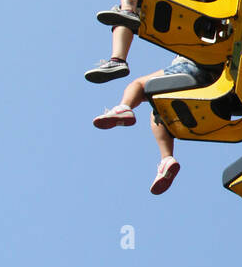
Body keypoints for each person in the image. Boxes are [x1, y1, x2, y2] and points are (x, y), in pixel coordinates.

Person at [92, 55, 218, 195]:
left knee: (139, 84)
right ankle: (166, 160)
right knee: (158, 111)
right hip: (218, 83)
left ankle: (124, 107)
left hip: (193, 67)